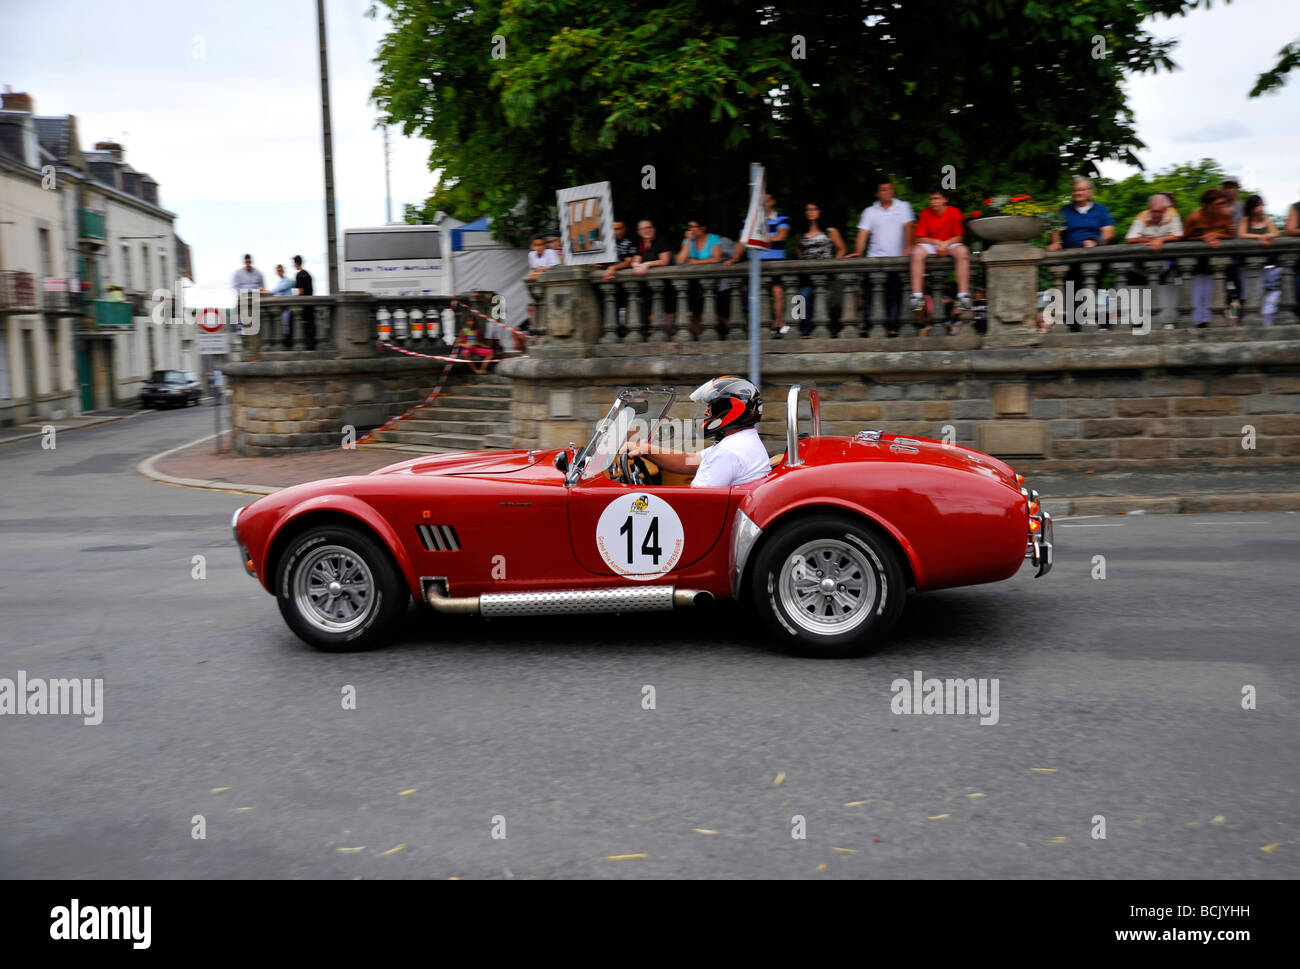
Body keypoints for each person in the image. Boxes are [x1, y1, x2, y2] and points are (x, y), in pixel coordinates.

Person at [625, 376, 770, 488]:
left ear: (731, 410)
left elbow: (696, 500)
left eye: (710, 407)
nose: (707, 413)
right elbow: (687, 461)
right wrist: (646, 449)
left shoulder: (729, 452)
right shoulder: (741, 441)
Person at [843, 177, 915, 335]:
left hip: (897, 259)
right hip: (874, 259)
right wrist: (858, 252)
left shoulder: (903, 207)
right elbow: (863, 233)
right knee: (871, 292)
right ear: (877, 193)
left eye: (889, 189)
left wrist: (909, 248)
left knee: (895, 293)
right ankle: (870, 325)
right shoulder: (870, 211)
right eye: (883, 190)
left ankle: (892, 327)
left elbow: (909, 227)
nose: (888, 192)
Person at [727, 193, 791, 335]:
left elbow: (782, 235)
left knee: (778, 292)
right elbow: (742, 240)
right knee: (752, 294)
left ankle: (778, 325)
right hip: (756, 264)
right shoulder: (750, 220)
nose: (764, 204)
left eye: (767, 201)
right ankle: (754, 328)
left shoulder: (781, 217)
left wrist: (764, 237)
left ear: (772, 202)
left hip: (776, 263)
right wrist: (735, 257)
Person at [909, 188, 971, 332]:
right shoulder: (925, 213)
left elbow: (959, 236)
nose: (934, 202)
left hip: (949, 243)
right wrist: (936, 242)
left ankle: (963, 295)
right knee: (916, 252)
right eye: (932, 199)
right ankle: (917, 296)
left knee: (962, 252)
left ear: (945, 200)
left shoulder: (954, 212)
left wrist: (946, 244)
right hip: (932, 243)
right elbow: (920, 237)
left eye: (937, 199)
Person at [1125, 193, 1183, 328]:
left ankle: (1168, 321)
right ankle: (1138, 323)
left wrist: (1161, 240)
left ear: (1166, 209)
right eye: (1153, 211)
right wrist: (1151, 240)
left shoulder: (1172, 214)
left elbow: (1178, 235)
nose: (1156, 215)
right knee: (1138, 293)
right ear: (1149, 208)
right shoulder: (1142, 216)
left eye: (1160, 211)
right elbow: (1130, 238)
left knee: (1166, 292)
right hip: (1141, 266)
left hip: (1165, 265)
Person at [1182, 189, 1235, 327]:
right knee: (1197, 294)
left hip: (1218, 261)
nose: (1222, 207)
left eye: (1223, 203)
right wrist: (1203, 238)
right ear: (1207, 205)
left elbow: (1231, 235)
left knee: (1215, 294)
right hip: (1197, 262)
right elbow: (1184, 238)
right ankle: (1197, 323)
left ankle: (1214, 322)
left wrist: (1216, 236)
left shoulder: (1226, 215)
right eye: (1218, 204)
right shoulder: (1194, 217)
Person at [795, 202, 846, 335]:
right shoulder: (802, 232)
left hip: (825, 275)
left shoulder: (830, 231)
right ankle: (803, 330)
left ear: (820, 211)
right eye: (808, 209)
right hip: (807, 274)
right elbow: (799, 249)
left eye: (814, 209)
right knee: (800, 298)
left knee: (823, 300)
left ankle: (820, 330)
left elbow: (842, 249)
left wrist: (832, 264)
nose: (810, 212)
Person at [677, 219, 723, 334]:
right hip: (692, 283)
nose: (691, 230)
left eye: (694, 227)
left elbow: (717, 258)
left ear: (702, 228)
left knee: (708, 314)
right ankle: (699, 340)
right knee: (694, 315)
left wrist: (697, 262)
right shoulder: (688, 240)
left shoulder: (713, 238)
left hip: (710, 281)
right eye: (689, 227)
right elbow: (680, 260)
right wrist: (687, 241)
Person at [1046, 176, 1114, 251]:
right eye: (1074, 190)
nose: (1077, 193)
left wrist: (1095, 241)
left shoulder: (1101, 209)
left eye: (1081, 190)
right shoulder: (1063, 210)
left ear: (1090, 192)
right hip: (1070, 254)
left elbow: (1109, 233)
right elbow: (1055, 230)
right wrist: (1055, 243)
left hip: (1095, 252)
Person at [232, 253, 267, 352]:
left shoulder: (258, 273)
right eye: (246, 262)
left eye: (249, 262)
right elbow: (236, 287)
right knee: (243, 324)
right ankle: (245, 346)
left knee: (254, 324)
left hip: (255, 297)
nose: (248, 264)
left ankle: (255, 349)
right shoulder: (238, 273)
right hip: (243, 297)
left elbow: (262, 286)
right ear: (244, 262)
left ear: (251, 262)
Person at [292, 255, 315, 349]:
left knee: (302, 325)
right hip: (310, 303)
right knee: (310, 325)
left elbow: (300, 291)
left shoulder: (299, 275)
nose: (293, 265)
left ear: (296, 263)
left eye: (294, 263)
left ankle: (305, 346)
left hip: (303, 305)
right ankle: (312, 346)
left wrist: (294, 296)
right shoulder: (308, 274)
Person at [271, 263, 293, 341]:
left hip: (288, 307)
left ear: (283, 271)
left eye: (280, 271)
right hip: (282, 307)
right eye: (278, 271)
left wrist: (266, 291)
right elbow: (278, 293)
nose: (279, 272)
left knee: (286, 323)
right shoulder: (280, 282)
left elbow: (277, 289)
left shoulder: (287, 281)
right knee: (282, 324)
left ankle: (288, 341)